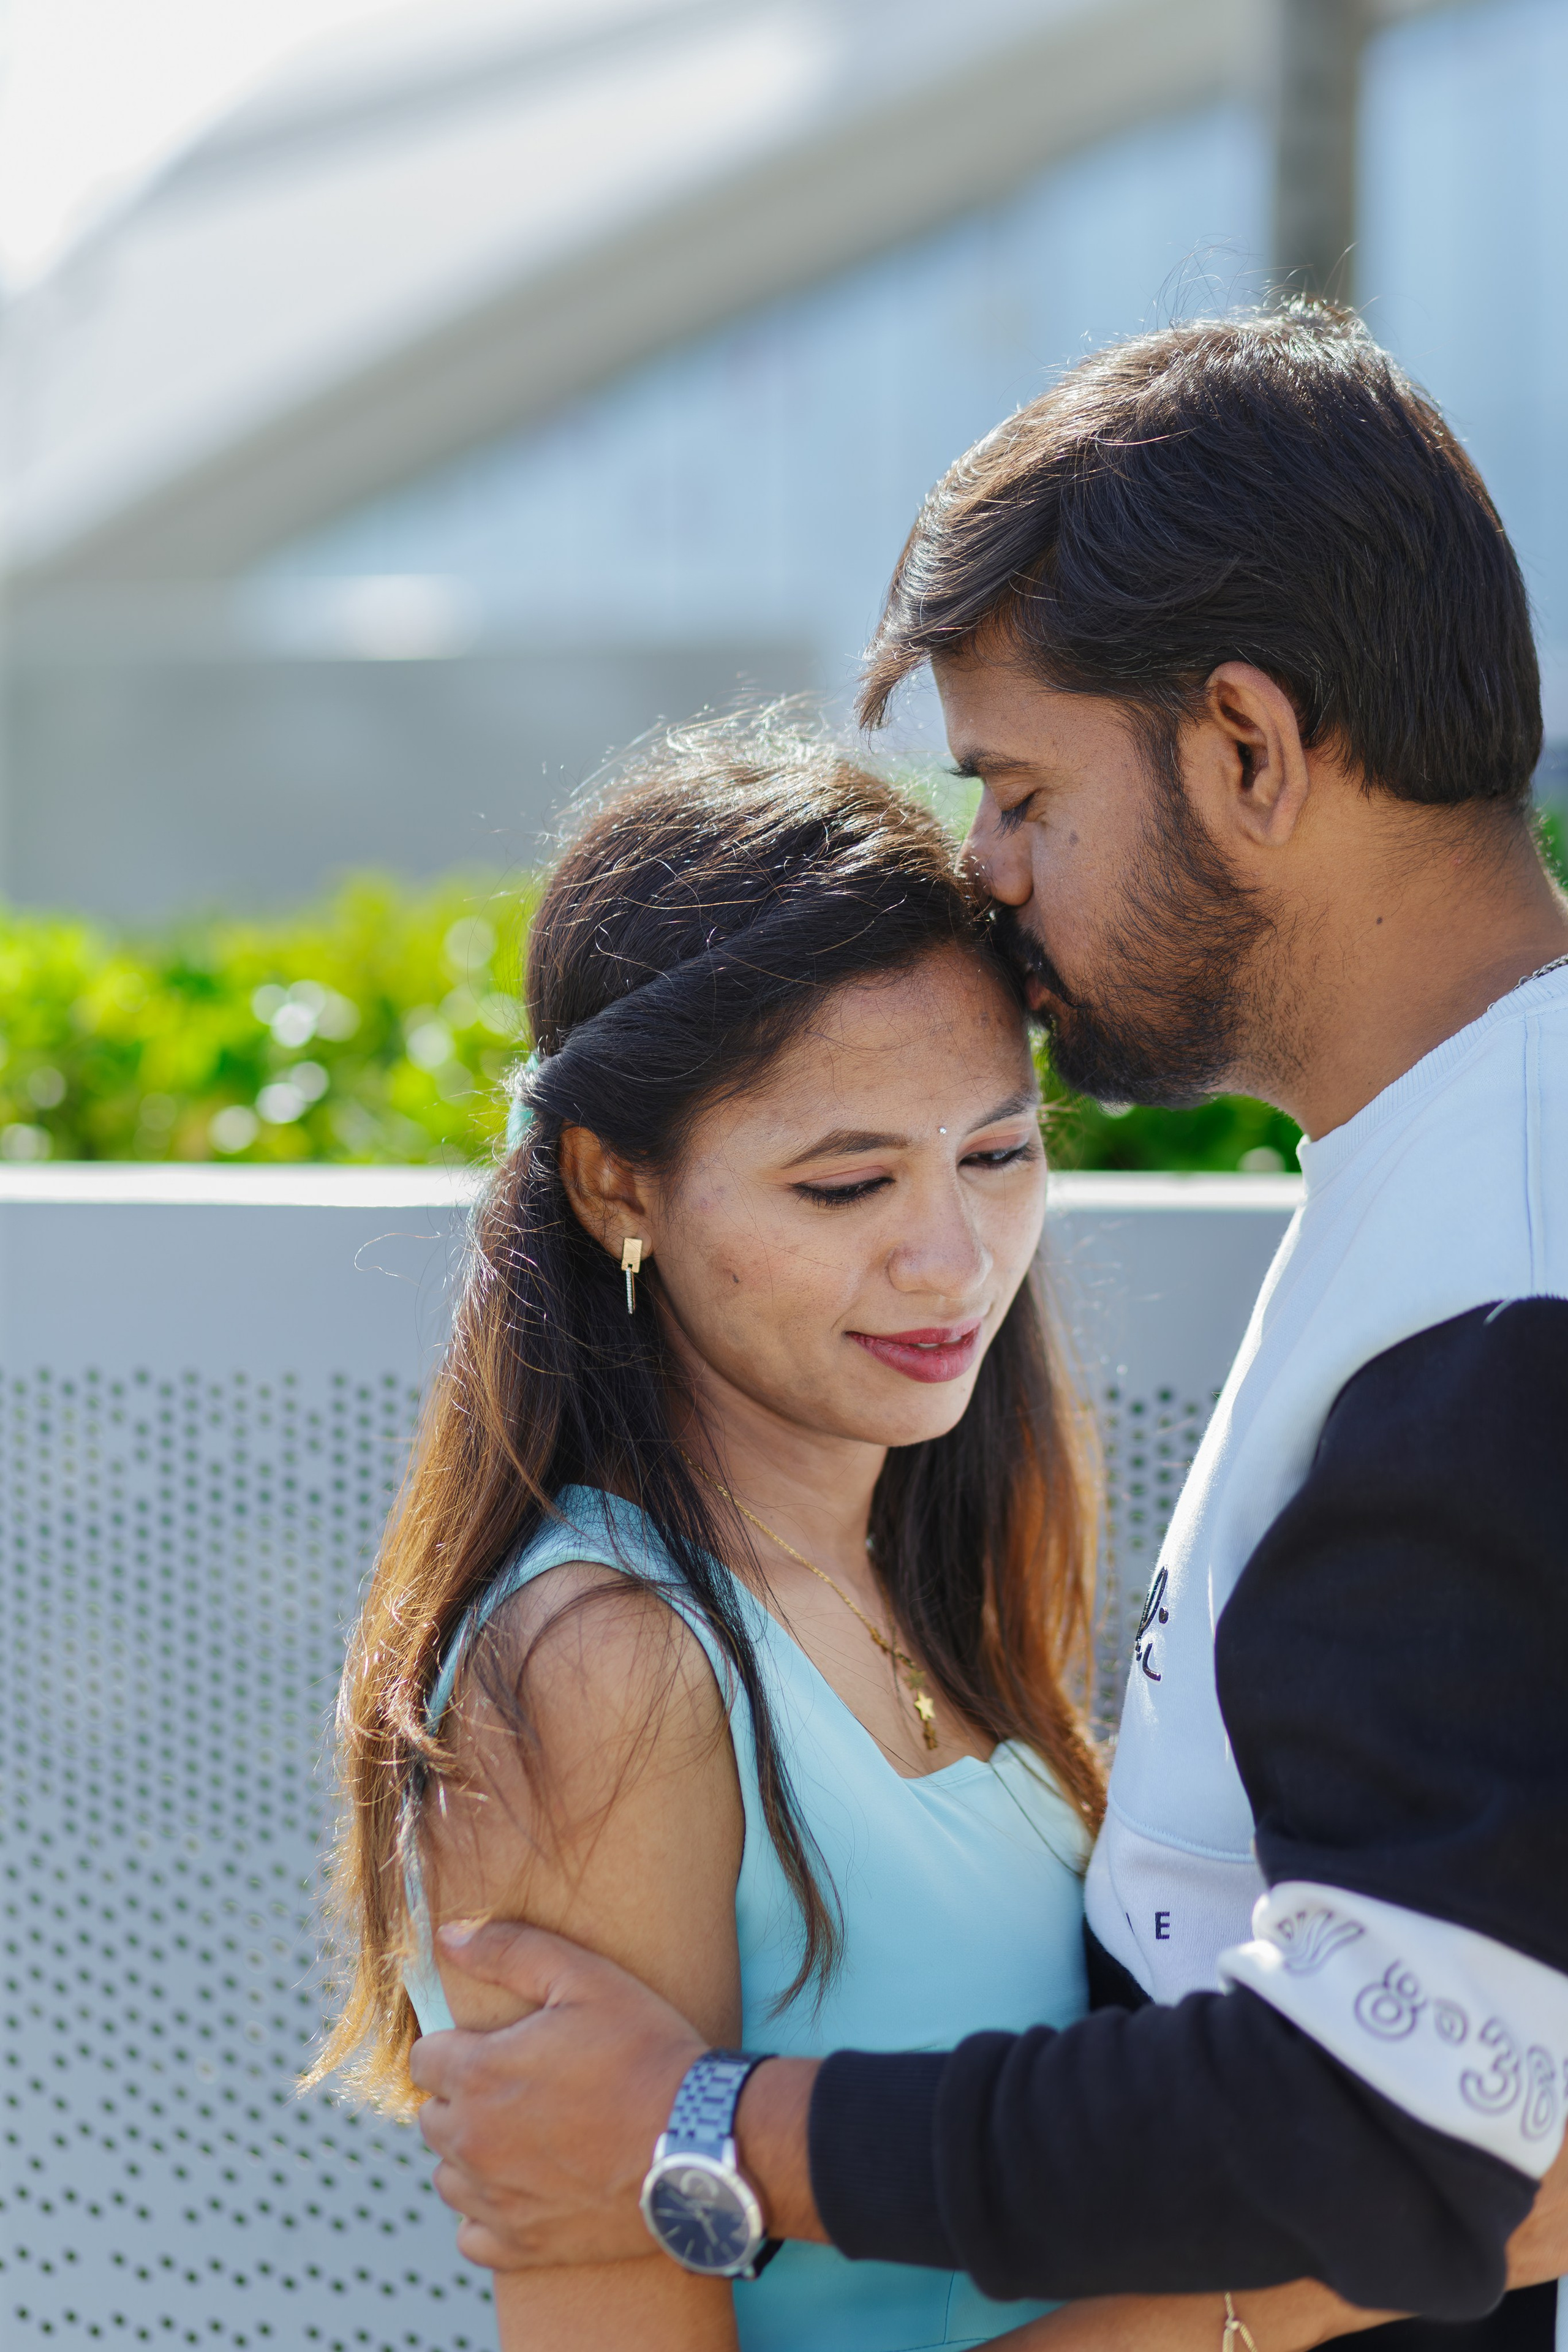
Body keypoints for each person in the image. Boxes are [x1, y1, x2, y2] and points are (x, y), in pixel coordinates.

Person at [405, 304, 1568, 2350]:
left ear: (1248, 748)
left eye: (1021, 788)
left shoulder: (1496, 1282)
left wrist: (724, 2130)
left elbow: (1419, 2116)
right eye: (846, 1180)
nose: (992, 873)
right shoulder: (1447, 1193)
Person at [317, 726, 1263, 2352]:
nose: (951, 1260)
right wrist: (1276, 2286)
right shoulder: (600, 1667)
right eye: (845, 1187)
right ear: (619, 1188)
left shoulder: (922, 1561)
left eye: (998, 1155)